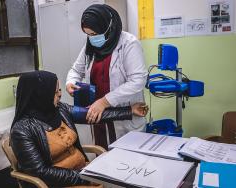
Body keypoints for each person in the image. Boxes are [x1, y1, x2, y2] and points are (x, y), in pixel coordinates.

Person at [10, 71, 148, 188]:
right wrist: (85, 177)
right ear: (40, 94)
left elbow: (94, 114)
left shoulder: (59, 109)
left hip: (82, 171)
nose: (59, 94)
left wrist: (129, 111)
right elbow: (41, 172)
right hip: (61, 183)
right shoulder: (22, 130)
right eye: (55, 91)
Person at [66, 4, 148, 149]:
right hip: (99, 115)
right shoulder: (90, 47)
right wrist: (70, 82)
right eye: (88, 34)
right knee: (103, 154)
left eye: (95, 34)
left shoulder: (129, 44)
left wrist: (104, 102)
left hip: (123, 117)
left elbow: (138, 81)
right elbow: (76, 70)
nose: (92, 38)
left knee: (127, 162)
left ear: (108, 27)